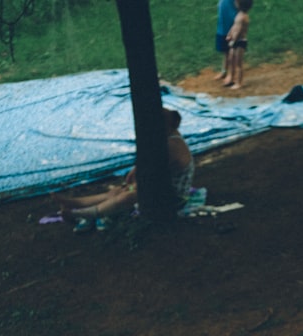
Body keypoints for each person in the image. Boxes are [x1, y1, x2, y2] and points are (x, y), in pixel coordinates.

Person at [52, 108, 194, 233]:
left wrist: (134, 185)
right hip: (162, 189)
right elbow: (149, 166)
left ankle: (84, 213)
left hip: (174, 198)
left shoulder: (171, 147)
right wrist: (135, 172)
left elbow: (154, 175)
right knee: (119, 191)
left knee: (127, 196)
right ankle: (76, 203)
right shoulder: (168, 139)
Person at [223, 0, 252, 89]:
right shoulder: (238, 14)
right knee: (232, 59)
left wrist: (233, 40)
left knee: (238, 63)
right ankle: (232, 78)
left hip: (240, 42)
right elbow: (234, 26)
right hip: (234, 41)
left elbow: (239, 31)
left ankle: (239, 82)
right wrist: (229, 34)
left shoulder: (243, 17)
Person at [214, 0, 239, 80]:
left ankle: (232, 74)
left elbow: (241, 6)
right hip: (222, 28)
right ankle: (224, 72)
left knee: (233, 53)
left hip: (232, 27)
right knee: (226, 52)